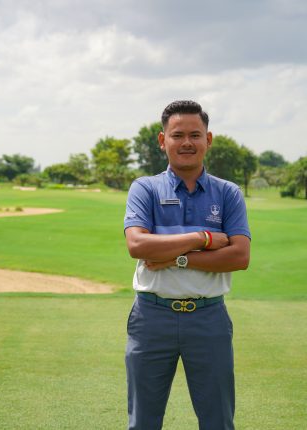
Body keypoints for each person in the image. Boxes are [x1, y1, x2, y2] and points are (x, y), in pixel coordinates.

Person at [124, 100, 251, 430]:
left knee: (218, 421)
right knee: (143, 422)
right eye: (177, 134)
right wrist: (204, 238)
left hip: (208, 319)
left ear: (208, 140)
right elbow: (138, 245)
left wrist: (175, 258)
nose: (186, 142)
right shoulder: (145, 188)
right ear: (162, 140)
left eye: (195, 135)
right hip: (152, 317)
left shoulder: (228, 194)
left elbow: (239, 257)